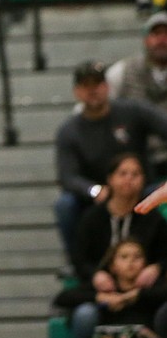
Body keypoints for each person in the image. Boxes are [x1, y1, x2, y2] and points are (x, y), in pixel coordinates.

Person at [56, 61, 167, 258]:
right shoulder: (69, 131)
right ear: (77, 92)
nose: (92, 90)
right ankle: (78, 264)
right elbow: (68, 176)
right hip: (102, 193)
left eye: (97, 84)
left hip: (142, 186)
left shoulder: (132, 111)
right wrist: (94, 190)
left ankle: (162, 260)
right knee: (65, 205)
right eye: (85, 85)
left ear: (107, 86)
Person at [65, 154, 167, 338]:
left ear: (144, 179)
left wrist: (157, 267)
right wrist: (96, 276)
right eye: (123, 173)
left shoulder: (154, 219)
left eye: (135, 174)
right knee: (84, 315)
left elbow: (165, 256)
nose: (129, 179)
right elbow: (78, 260)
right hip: (102, 293)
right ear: (109, 179)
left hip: (146, 293)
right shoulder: (92, 218)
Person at [55, 238, 167, 338]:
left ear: (145, 264)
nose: (131, 261)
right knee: (85, 312)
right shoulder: (104, 288)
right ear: (112, 266)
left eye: (137, 257)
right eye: (124, 257)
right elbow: (62, 298)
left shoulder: (154, 288)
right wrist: (99, 297)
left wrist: (135, 295)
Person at [109, 12, 167, 175]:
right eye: (156, 34)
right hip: (135, 159)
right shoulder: (123, 71)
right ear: (145, 39)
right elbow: (99, 111)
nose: (162, 40)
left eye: (166, 34)